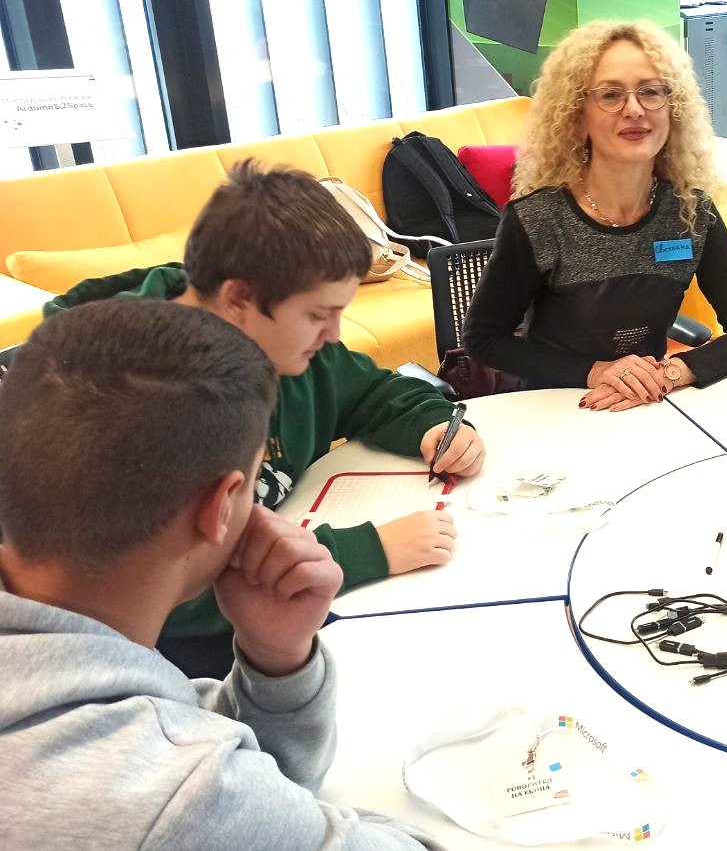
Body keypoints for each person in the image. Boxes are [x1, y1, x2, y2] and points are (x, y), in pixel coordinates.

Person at [0, 299, 438, 848]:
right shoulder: (177, 799)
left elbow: (226, 766)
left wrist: (276, 661)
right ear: (222, 505)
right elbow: (214, 799)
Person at [45, 161, 485, 677]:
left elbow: (372, 392)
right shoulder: (123, 402)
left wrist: (433, 423)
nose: (334, 335)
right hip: (173, 652)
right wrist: (365, 551)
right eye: (318, 315)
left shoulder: (289, 349)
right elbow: (155, 585)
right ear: (239, 300)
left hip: (278, 593)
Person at [464, 20, 727, 410]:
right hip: (554, 409)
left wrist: (670, 373)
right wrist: (595, 371)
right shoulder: (538, 219)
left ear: (673, 110)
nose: (634, 109)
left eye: (651, 92)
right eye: (610, 95)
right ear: (577, 115)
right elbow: (484, 339)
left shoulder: (691, 212)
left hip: (646, 403)